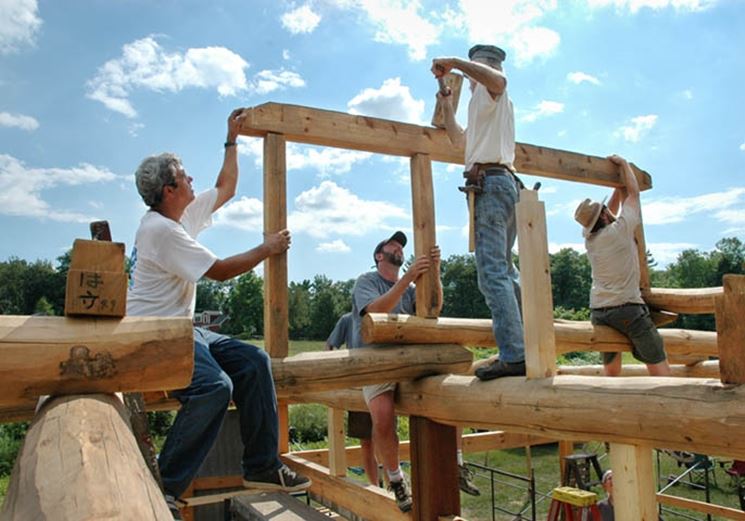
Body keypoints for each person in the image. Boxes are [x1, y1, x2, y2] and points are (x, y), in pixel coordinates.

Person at [127, 109, 310, 519]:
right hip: (152, 335)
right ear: (169, 189)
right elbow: (222, 272)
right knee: (213, 388)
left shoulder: (179, 214)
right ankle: (166, 486)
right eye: (185, 176)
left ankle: (262, 465)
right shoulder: (161, 230)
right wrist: (268, 248)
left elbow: (226, 187)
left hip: (180, 328)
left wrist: (232, 139)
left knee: (253, 361)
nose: (193, 180)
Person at [432, 44, 526, 380]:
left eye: (472, 71)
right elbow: (458, 140)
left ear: (480, 68)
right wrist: (445, 98)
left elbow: (499, 81)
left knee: (492, 274)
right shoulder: (481, 105)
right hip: (499, 184)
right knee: (506, 271)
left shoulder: (492, 91)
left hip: (493, 184)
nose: (468, 80)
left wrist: (456, 63)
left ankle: (515, 355)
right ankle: (523, 347)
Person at [349, 231, 442, 512]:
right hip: (375, 360)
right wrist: (409, 278)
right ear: (379, 256)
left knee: (447, 389)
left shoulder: (412, 289)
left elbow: (435, 308)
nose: (399, 248)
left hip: (409, 358)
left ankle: (457, 462)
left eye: (402, 246)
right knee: (384, 419)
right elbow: (375, 311)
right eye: (393, 245)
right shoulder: (367, 281)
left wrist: (434, 270)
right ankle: (396, 478)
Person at [574, 155, 671, 377]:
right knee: (659, 365)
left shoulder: (590, 240)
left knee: (611, 370)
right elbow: (634, 194)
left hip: (599, 311)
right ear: (607, 217)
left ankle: (612, 403)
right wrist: (624, 165)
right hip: (627, 310)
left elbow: (607, 212)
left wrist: (618, 188)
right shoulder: (621, 229)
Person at [325, 312, 380, 487]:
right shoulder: (348, 320)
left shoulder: (384, 318)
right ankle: (375, 487)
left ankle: (392, 486)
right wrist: (336, 373)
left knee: (386, 437)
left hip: (383, 382)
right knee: (367, 441)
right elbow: (330, 345)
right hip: (359, 387)